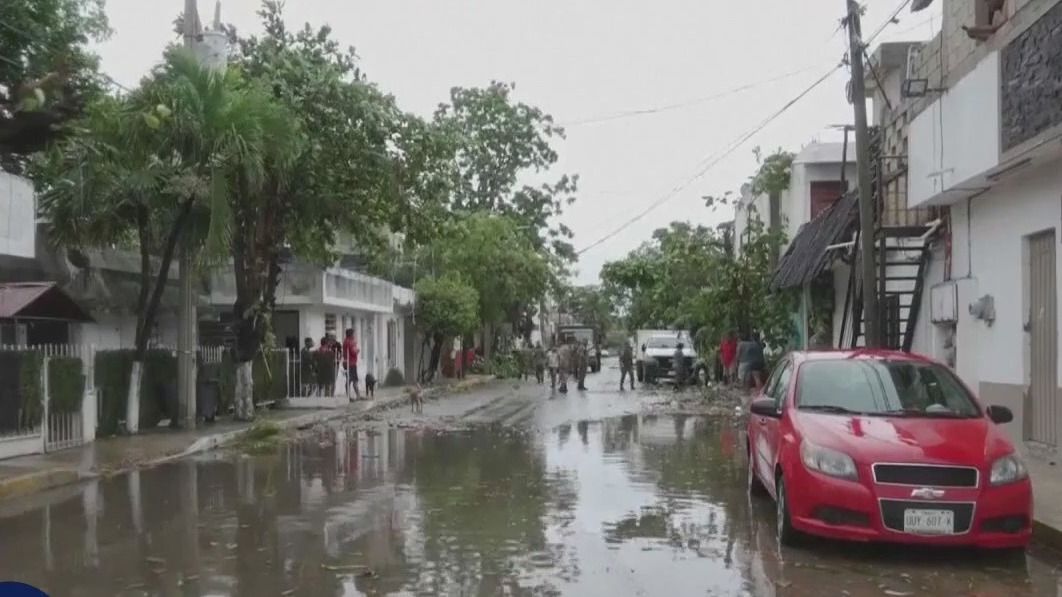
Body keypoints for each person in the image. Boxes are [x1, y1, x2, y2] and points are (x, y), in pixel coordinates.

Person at [342, 329, 362, 400]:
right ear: (350, 335)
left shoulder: (345, 341)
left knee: (349, 379)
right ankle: (357, 395)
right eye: (353, 334)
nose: (354, 336)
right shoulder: (350, 342)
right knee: (354, 380)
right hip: (351, 363)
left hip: (346, 363)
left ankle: (349, 396)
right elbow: (354, 352)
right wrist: (358, 349)